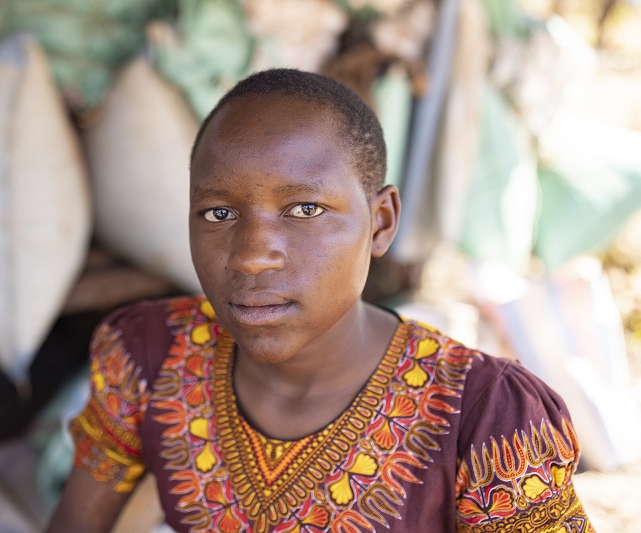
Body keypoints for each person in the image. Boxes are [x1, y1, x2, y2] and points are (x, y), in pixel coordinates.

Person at [48, 69, 594, 532]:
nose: (252, 257)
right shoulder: (149, 357)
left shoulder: (485, 421)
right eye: (218, 213)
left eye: (305, 209)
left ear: (380, 223)